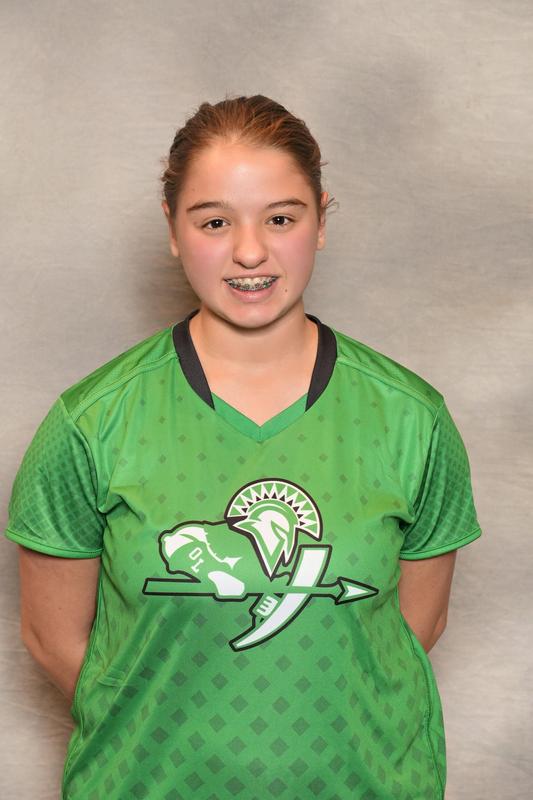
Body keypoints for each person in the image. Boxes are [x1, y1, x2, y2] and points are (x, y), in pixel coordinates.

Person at [4, 94, 482, 800]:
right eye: (214, 221)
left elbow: (413, 625)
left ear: (319, 219)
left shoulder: (410, 418)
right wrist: (168, 722)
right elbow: (53, 640)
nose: (250, 250)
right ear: (172, 228)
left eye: (280, 218)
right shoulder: (90, 422)